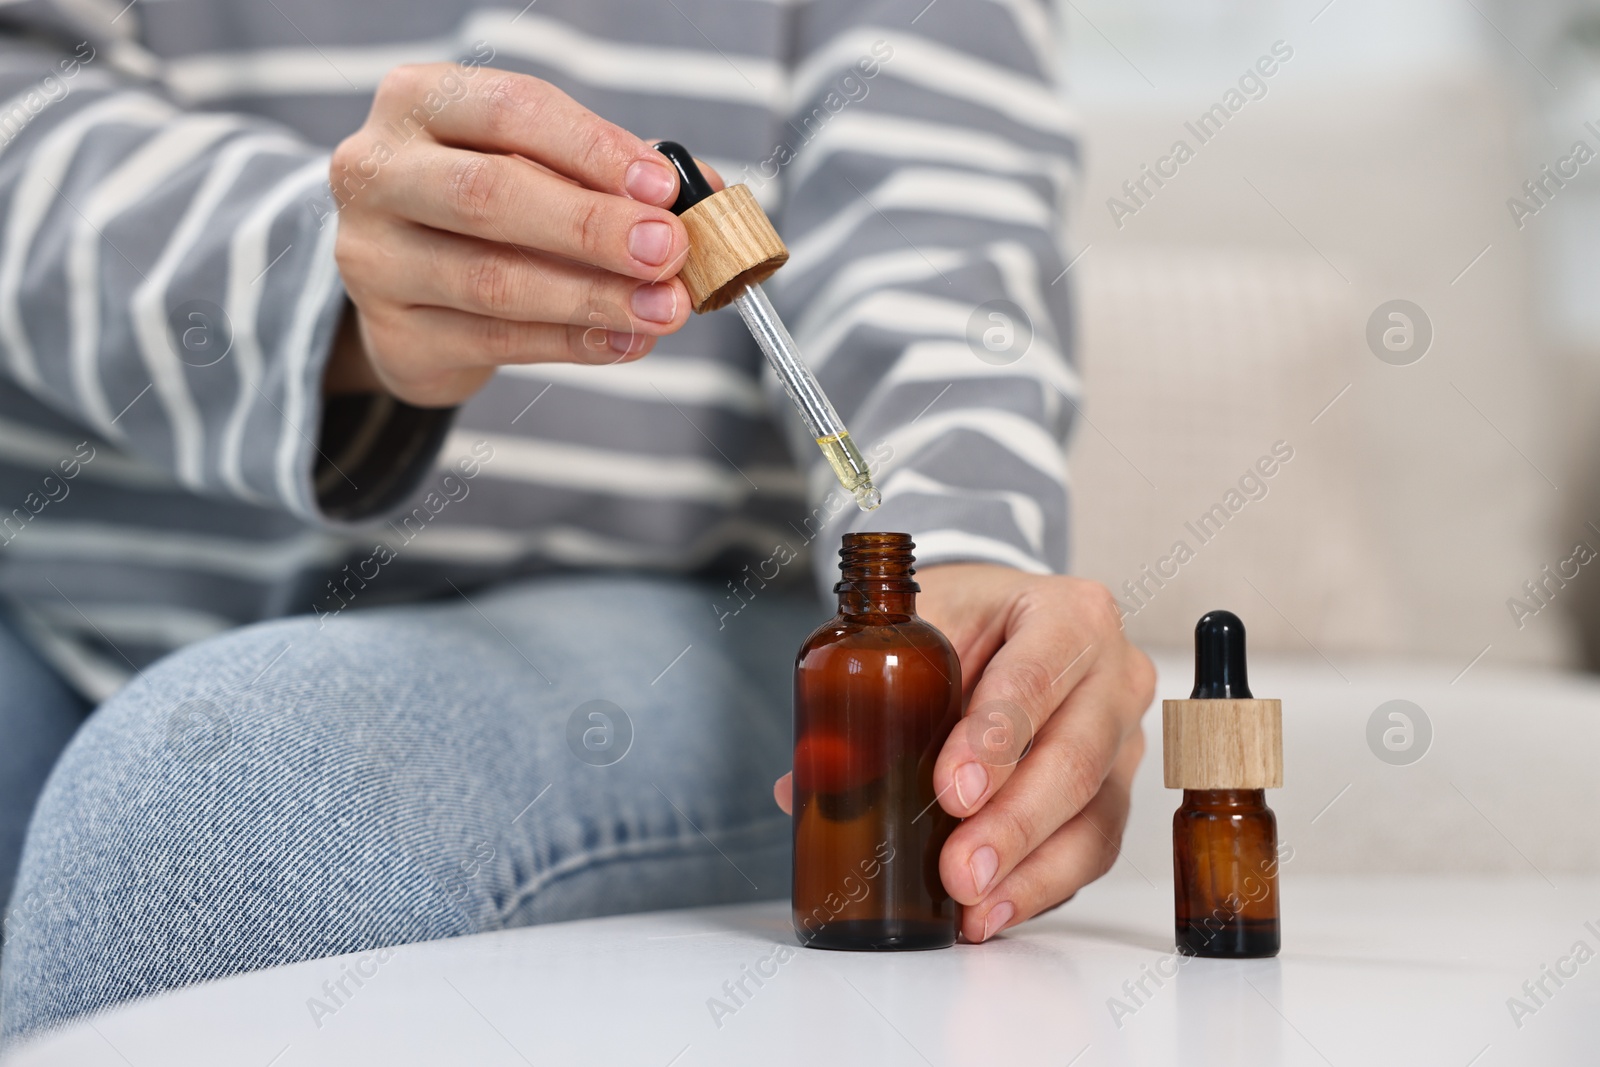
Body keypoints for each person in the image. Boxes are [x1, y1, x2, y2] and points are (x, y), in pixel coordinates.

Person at [0, 0, 1154, 1044]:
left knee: (227, 806)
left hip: (646, 609)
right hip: (59, 593)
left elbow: (930, 228)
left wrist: (959, 548)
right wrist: (326, 283)